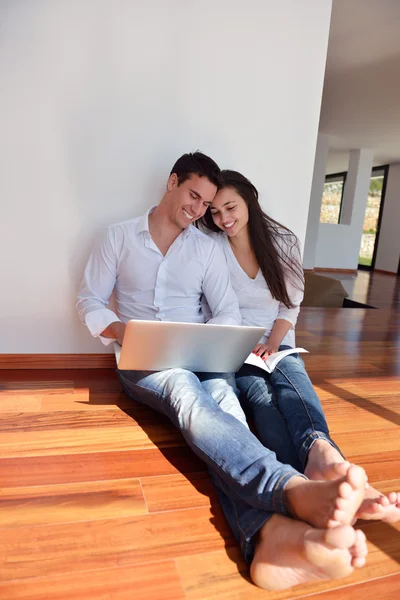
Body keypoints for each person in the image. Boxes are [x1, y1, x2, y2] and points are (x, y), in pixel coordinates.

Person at [77, 153, 369, 592]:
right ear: (173, 181)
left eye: (207, 204)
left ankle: (269, 538)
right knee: (188, 398)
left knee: (229, 410)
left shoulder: (205, 247)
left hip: (200, 353)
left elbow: (227, 310)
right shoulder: (117, 237)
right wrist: (123, 330)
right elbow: (89, 301)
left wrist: (205, 340)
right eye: (194, 196)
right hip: (144, 361)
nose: (198, 211)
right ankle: (288, 486)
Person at [200, 169, 400, 531]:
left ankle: (322, 454)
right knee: (260, 400)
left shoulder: (282, 241)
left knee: (293, 384)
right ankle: (325, 480)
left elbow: (289, 305)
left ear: (249, 200)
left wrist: (272, 343)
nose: (224, 219)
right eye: (214, 213)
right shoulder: (211, 247)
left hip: (277, 340)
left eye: (230, 207)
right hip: (237, 345)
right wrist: (246, 346)